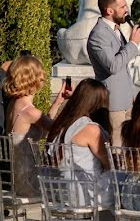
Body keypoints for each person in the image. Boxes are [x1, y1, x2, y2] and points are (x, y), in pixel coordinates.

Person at [1, 55, 73, 196]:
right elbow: (58, 130)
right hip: (29, 182)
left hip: (17, 177)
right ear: (35, 80)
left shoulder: (14, 104)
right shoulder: (30, 111)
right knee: (70, 183)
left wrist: (58, 102)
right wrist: (75, 102)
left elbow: (47, 126)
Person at [87, 0, 140, 147]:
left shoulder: (116, 29)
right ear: (109, 10)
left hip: (127, 101)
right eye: (122, 7)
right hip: (113, 104)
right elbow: (113, 66)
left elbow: (124, 67)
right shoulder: (98, 35)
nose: (127, 10)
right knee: (117, 148)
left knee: (130, 146)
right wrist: (133, 44)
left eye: (126, 6)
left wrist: (133, 93)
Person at [46, 78, 114, 207]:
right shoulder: (91, 129)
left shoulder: (62, 123)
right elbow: (109, 163)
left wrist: (61, 101)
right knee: (121, 183)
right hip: (83, 193)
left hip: (60, 190)